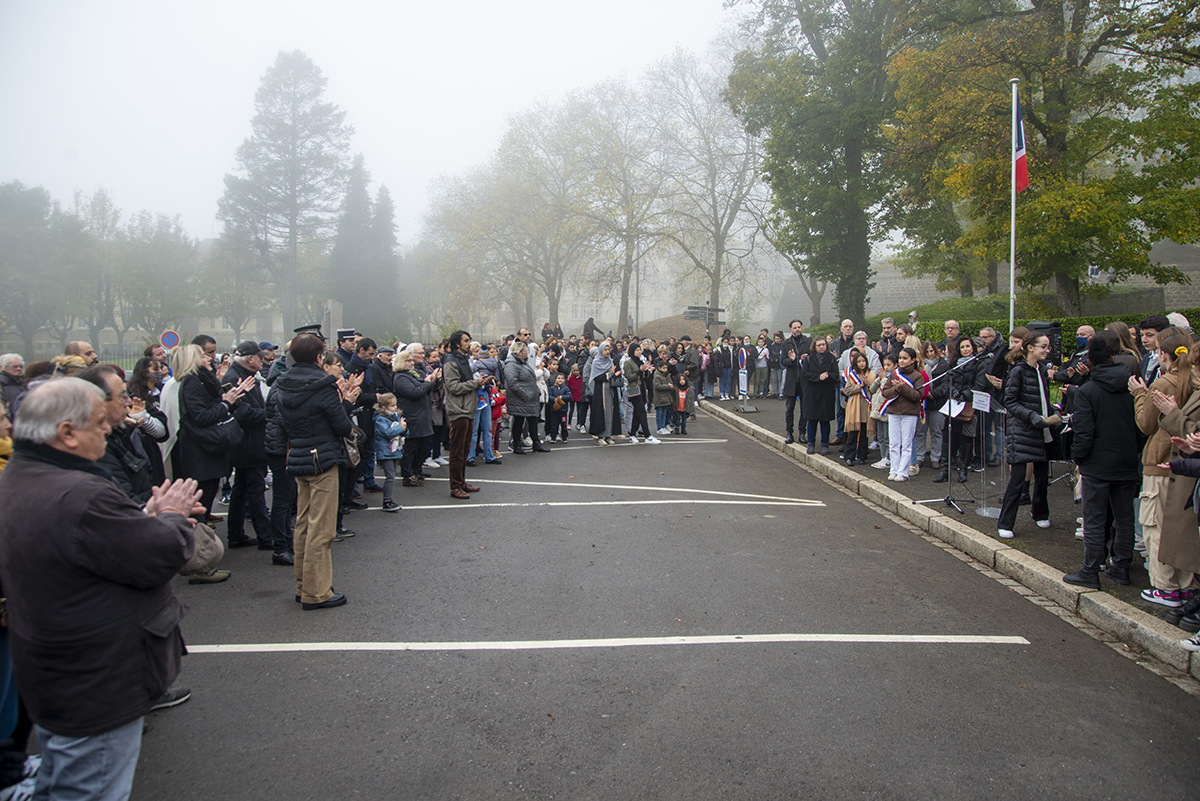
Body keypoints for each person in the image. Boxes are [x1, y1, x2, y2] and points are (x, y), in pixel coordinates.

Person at [0, 378, 203, 800]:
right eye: (97, 422)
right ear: (66, 433)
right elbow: (159, 555)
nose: (108, 428)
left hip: (54, 667)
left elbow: (87, 544)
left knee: (65, 779)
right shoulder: (81, 494)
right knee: (90, 788)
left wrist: (140, 517)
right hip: (97, 677)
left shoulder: (23, 475)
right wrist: (169, 517)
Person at [274, 333, 356, 610]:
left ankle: (303, 585)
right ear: (319, 356)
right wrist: (345, 401)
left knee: (303, 524)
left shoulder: (281, 383)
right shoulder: (323, 385)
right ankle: (316, 591)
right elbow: (343, 426)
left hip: (298, 454)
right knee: (322, 528)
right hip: (322, 458)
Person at [1063, 331, 1138, 589]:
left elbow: (1083, 432)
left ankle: (1090, 570)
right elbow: (1141, 426)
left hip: (1097, 462)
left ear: (1090, 360)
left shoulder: (1088, 390)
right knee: (1124, 516)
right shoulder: (1132, 385)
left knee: (1094, 518)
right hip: (1127, 460)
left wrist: (1079, 458)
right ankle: (1122, 567)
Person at [1130, 333, 1200, 607]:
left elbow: (1146, 424)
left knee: (1154, 525)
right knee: (1179, 527)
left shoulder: (1164, 383)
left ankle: (1164, 586)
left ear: (1164, 355)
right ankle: (1184, 585)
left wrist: (1139, 395)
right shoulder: (1190, 384)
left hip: (1162, 458)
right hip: (1185, 465)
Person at [174, 344, 255, 525]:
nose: (209, 358)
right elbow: (201, 416)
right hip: (201, 450)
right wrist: (226, 403)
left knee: (207, 496)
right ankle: (199, 544)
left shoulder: (202, 380)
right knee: (201, 500)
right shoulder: (192, 382)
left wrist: (232, 398)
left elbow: (213, 407)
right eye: (203, 355)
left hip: (208, 448)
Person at [997, 331, 1060, 539]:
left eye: (1048, 346)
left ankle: (1040, 512)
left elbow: (1041, 398)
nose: (1047, 351)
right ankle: (1006, 522)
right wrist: (1031, 416)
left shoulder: (1041, 369)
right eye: (1043, 346)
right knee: (1018, 478)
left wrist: (1053, 411)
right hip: (1023, 430)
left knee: (1042, 476)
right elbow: (1011, 402)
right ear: (1030, 347)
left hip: (1042, 428)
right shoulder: (1018, 371)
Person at [222, 341, 272, 550]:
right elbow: (242, 413)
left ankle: (235, 534)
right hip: (247, 443)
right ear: (250, 358)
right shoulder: (234, 378)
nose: (264, 360)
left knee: (241, 489)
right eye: (260, 357)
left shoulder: (242, 375)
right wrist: (268, 414)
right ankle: (265, 536)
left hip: (248, 441)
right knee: (255, 489)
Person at [442, 329, 488, 500]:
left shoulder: (464, 360)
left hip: (468, 409)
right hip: (458, 410)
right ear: (457, 344)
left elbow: (465, 384)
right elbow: (453, 387)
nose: (469, 343)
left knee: (465, 449)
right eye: (466, 341)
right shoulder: (451, 361)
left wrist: (479, 383)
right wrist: (474, 383)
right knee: (457, 451)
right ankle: (455, 486)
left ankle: (461, 482)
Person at [393, 347, 439, 484]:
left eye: (412, 360)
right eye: (408, 361)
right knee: (410, 447)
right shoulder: (400, 377)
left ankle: (417, 470)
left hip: (422, 415)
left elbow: (425, 389)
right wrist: (427, 382)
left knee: (421, 446)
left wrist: (433, 380)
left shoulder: (412, 374)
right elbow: (415, 392)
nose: (412, 363)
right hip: (412, 416)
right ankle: (407, 475)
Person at [880, 347, 925, 482]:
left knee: (906, 443)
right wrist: (896, 389)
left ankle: (903, 471)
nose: (902, 361)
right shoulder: (894, 374)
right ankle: (893, 469)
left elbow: (918, 395)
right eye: (900, 358)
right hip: (894, 411)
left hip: (909, 413)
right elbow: (885, 392)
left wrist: (902, 388)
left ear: (912, 360)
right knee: (894, 443)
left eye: (905, 358)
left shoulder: (918, 376)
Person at [504, 340, 548, 454]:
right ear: (518, 352)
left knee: (533, 421)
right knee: (518, 422)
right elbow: (512, 383)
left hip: (530, 399)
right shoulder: (511, 365)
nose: (527, 353)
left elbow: (531, 379)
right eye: (524, 351)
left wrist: (536, 391)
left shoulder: (523, 363)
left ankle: (536, 444)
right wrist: (524, 395)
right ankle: (517, 445)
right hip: (521, 399)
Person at [801, 336, 838, 454]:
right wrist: (818, 377)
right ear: (814, 347)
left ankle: (824, 444)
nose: (822, 347)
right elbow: (804, 374)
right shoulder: (809, 359)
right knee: (812, 419)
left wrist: (827, 376)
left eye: (823, 344)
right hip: (812, 392)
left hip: (826, 392)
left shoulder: (831, 358)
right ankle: (810, 443)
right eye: (819, 345)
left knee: (825, 420)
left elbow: (836, 374)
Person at [841, 349, 875, 465]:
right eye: (859, 361)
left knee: (864, 432)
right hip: (855, 405)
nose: (861, 363)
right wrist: (860, 386)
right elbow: (848, 390)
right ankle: (849, 456)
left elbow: (874, 390)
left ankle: (862, 455)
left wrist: (868, 384)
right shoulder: (852, 375)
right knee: (853, 432)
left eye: (863, 361)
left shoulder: (870, 374)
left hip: (866, 405)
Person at [780, 320, 811, 445]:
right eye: (794, 327)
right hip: (792, 379)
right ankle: (789, 432)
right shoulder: (786, 343)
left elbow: (812, 358)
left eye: (799, 327)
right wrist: (792, 360)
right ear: (790, 329)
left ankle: (802, 432)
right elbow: (783, 361)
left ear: (802, 328)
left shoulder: (808, 342)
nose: (797, 329)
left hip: (804, 379)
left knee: (805, 408)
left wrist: (804, 360)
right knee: (789, 408)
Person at [587, 343, 623, 445]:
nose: (607, 351)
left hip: (610, 390)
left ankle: (608, 435)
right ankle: (600, 436)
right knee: (601, 412)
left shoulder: (610, 362)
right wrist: (610, 374)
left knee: (610, 412)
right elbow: (597, 378)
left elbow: (613, 375)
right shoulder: (596, 362)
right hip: (600, 391)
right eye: (605, 349)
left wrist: (615, 374)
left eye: (608, 349)